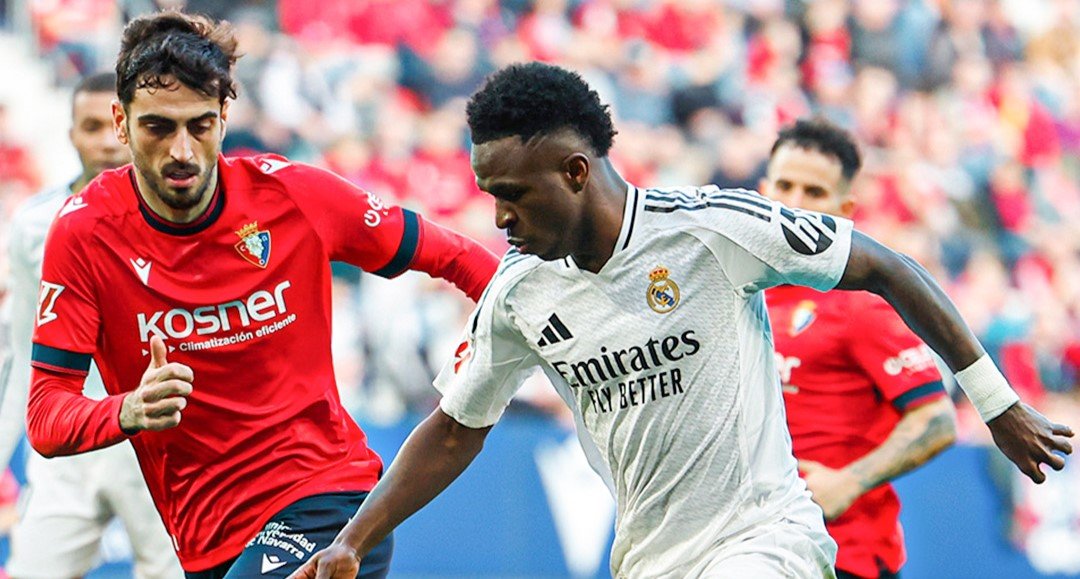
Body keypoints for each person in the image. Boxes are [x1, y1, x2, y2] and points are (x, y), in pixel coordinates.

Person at [295, 62, 1076, 579]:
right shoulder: (520, 292)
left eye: (513, 195)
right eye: (490, 195)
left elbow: (884, 264)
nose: (498, 217)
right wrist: (352, 539)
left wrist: (996, 401)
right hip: (649, 556)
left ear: (575, 172)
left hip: (766, 541)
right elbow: (455, 428)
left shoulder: (710, 229)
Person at [25, 11, 498, 579]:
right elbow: (46, 414)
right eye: (158, 127)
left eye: (200, 125)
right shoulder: (83, 232)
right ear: (121, 124)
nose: (182, 150)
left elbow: (456, 256)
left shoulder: (292, 196)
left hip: (329, 500)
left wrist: (528, 344)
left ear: (224, 118)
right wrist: (126, 409)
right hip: (205, 536)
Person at [1, 71, 182, 579]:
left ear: (132, 129)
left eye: (113, 127)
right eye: (90, 127)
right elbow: (20, 351)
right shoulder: (34, 225)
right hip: (69, 445)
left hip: (157, 441)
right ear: (71, 135)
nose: (105, 142)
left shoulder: (181, 216)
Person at [760, 118, 957, 579]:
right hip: (756, 547)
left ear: (844, 208)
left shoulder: (860, 304)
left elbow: (937, 419)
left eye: (814, 192)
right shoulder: (739, 293)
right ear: (763, 191)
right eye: (784, 186)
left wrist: (849, 482)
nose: (793, 203)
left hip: (844, 556)